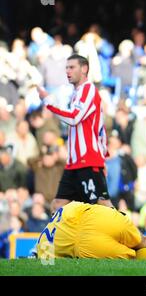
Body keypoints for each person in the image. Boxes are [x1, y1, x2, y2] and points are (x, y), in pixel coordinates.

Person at [37, 54, 112, 211]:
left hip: (88, 161)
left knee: (103, 207)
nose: (67, 71)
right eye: (66, 68)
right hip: (74, 163)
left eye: (72, 67)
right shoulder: (77, 94)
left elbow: (74, 118)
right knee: (57, 205)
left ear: (84, 69)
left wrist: (49, 102)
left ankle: (135, 236)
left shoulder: (88, 89)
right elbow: (98, 128)